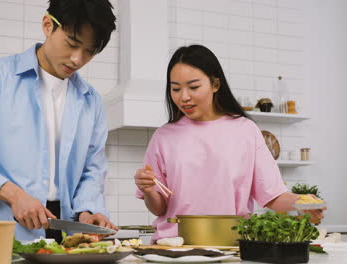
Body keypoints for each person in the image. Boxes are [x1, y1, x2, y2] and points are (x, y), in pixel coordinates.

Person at [0, 0, 118, 242]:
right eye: (72, 44)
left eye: (89, 51)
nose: (77, 59)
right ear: (47, 25)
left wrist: (87, 210)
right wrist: (14, 195)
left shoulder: (91, 101)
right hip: (0, 234)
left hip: (65, 235)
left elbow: (92, 168)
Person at [134, 45, 326, 243]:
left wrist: (302, 203)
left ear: (215, 84)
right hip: (175, 247)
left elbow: (272, 195)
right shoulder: (163, 137)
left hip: (230, 246)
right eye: (175, 88)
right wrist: (148, 190)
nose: (184, 97)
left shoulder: (245, 130)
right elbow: (159, 208)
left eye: (193, 87)